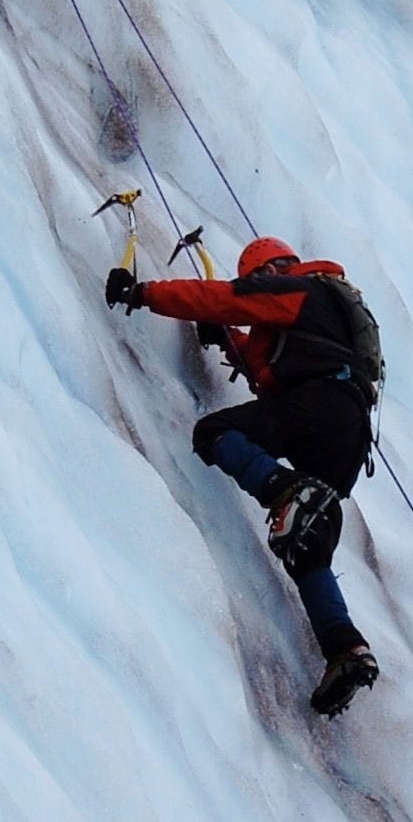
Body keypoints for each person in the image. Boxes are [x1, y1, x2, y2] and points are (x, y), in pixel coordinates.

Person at [106, 235, 380, 716]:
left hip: (318, 407)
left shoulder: (299, 291)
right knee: (306, 544)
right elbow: (276, 367)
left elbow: (223, 299)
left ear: (271, 270)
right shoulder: (331, 308)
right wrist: (233, 342)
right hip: (347, 438)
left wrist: (143, 293)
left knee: (215, 432)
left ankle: (282, 487)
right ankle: (345, 648)